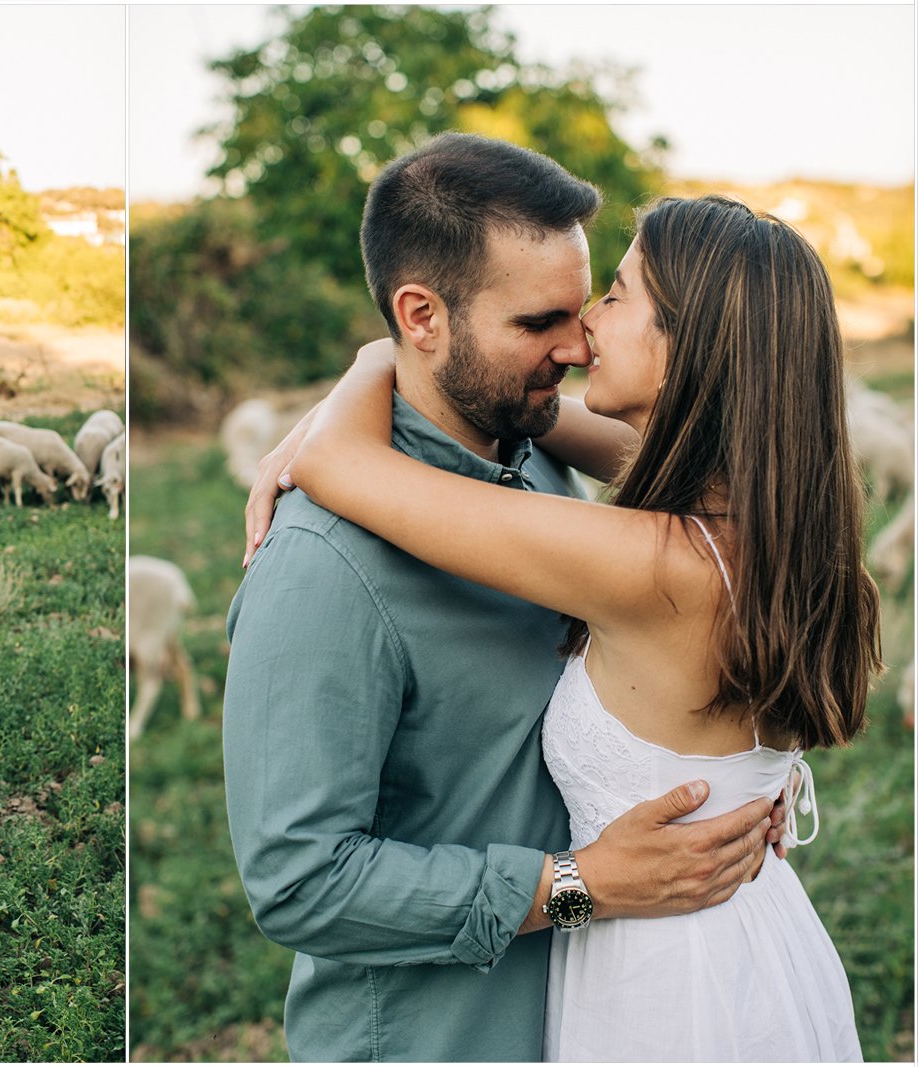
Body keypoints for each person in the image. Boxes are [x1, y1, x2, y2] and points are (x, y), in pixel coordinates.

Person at [221, 134, 793, 1062]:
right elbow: (299, 882)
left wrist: (730, 783)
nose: (576, 345)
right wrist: (582, 885)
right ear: (423, 315)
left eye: (589, 306)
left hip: (626, 1007)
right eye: (540, 323)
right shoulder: (326, 564)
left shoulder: (550, 466)